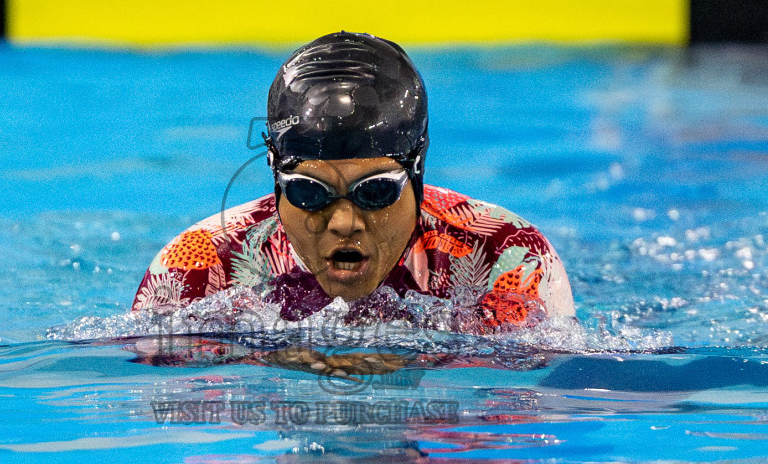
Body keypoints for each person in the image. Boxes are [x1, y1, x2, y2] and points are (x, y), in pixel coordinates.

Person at [132, 31, 574, 331]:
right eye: (309, 192)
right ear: (277, 181)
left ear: (416, 176)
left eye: (375, 191)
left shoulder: (507, 257)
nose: (344, 222)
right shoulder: (200, 268)